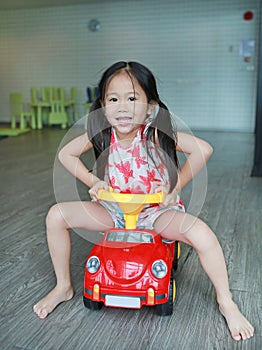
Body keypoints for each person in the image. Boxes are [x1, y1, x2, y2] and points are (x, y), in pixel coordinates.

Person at [33, 61, 254, 341]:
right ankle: (63, 286)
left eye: (132, 99)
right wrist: (94, 182)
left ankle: (226, 301)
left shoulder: (154, 133)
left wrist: (175, 187)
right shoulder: (102, 134)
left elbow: (203, 150)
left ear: (150, 106)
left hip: (156, 213)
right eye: (113, 99)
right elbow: (66, 154)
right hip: (114, 211)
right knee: (56, 215)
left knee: (202, 234)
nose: (122, 107)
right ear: (102, 105)